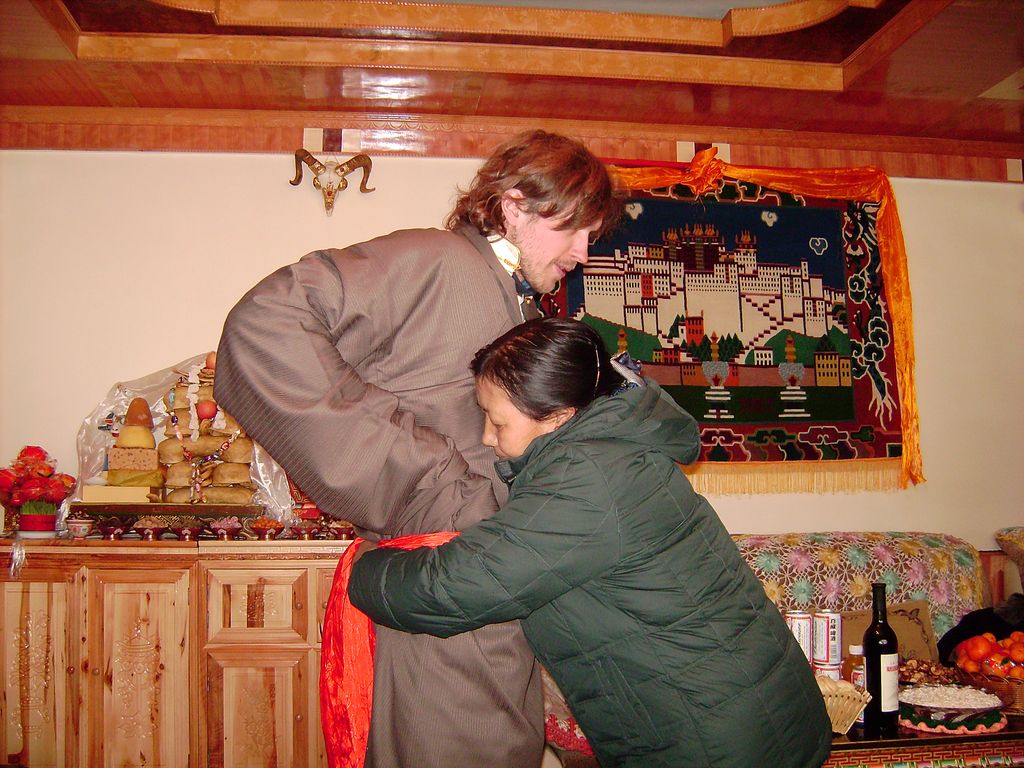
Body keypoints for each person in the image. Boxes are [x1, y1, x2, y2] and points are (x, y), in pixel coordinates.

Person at [214, 130, 621, 767]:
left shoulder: (507, 296)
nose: (584, 251)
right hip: (444, 593)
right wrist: (425, 484)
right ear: (514, 206)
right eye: (573, 228)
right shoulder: (439, 260)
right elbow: (263, 327)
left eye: (592, 234)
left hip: (478, 586)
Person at [348, 318, 833, 768]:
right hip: (745, 714)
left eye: (498, 423)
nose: (486, 438)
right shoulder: (611, 449)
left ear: (557, 416)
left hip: (716, 737)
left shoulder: (586, 477)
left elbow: (455, 587)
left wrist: (363, 566)